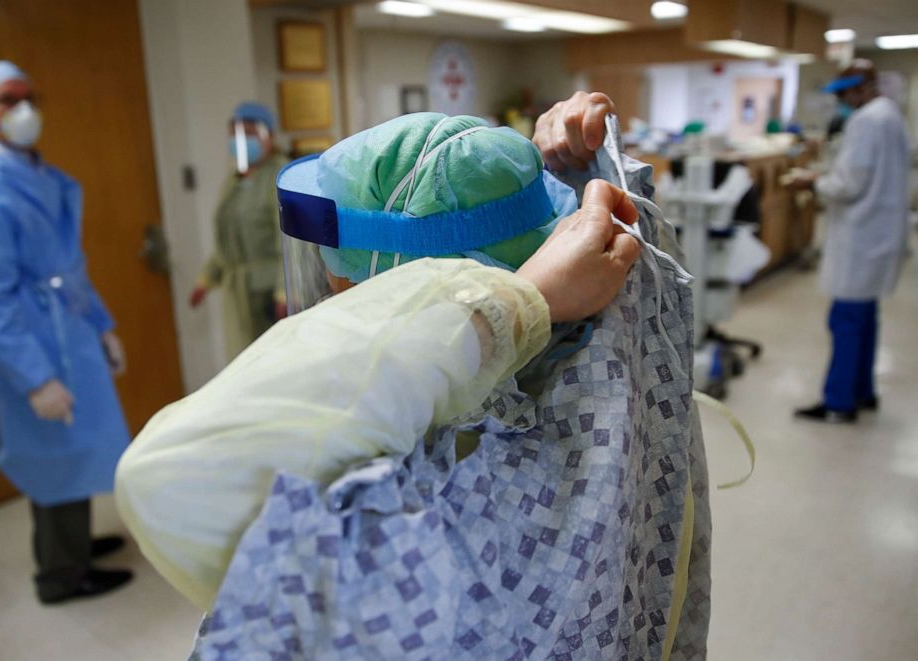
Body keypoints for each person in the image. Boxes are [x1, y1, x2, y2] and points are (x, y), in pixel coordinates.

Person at [118, 93, 710, 659]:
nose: (332, 287)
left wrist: (517, 298)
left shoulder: (462, 472)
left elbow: (169, 476)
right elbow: (629, 224)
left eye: (339, 268)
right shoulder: (608, 366)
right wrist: (582, 170)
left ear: (414, 281)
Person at [0, 61, 133, 604]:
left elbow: (64, 265)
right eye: (7, 99)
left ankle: (75, 547)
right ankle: (61, 577)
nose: (23, 110)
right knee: (52, 456)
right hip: (33, 349)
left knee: (72, 450)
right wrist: (35, 377)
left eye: (28, 97)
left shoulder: (29, 171)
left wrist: (101, 325)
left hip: (65, 333)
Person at [790, 60, 911, 423]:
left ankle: (839, 403)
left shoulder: (865, 121)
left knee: (845, 320)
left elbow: (848, 185)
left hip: (861, 235)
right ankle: (863, 391)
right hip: (880, 231)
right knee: (865, 318)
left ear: (859, 88)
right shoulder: (890, 114)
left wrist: (811, 182)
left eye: (843, 94)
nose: (842, 102)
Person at [189, 102, 289, 359]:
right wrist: (206, 279)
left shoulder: (280, 175)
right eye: (236, 132)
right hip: (239, 295)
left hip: (268, 298)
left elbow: (288, 240)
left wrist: (286, 291)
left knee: (273, 361)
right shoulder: (234, 179)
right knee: (243, 361)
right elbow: (227, 238)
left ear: (270, 136)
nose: (241, 140)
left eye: (250, 133)